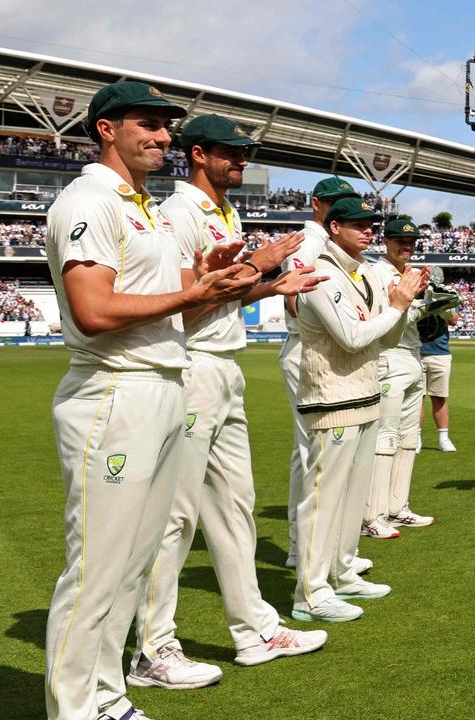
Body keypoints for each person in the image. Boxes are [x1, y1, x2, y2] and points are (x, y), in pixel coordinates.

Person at [42, 81, 261, 720]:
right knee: (98, 569)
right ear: (107, 128)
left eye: (168, 126)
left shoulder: (147, 209)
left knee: (136, 565)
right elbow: (92, 311)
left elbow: (178, 311)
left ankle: (108, 698)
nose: (165, 136)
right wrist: (193, 295)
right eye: (150, 124)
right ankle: (76, 708)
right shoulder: (89, 200)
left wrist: (214, 281)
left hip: (165, 384)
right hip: (115, 391)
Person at [128, 114, 326, 691]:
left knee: (235, 505)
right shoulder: (179, 215)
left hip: (224, 368)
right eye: (230, 153)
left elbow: (218, 298)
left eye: (245, 153)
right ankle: (154, 649)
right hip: (190, 368)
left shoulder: (223, 213)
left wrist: (268, 286)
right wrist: (257, 266)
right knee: (177, 516)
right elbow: (183, 307)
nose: (241, 161)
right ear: (198, 155)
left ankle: (255, 629)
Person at [291, 197, 427, 622]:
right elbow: (351, 336)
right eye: (358, 224)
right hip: (332, 396)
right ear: (334, 228)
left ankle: (343, 572)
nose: (369, 231)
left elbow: (384, 339)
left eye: (372, 224)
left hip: (366, 392)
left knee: (352, 498)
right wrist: (399, 307)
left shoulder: (364, 272)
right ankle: (310, 593)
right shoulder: (320, 271)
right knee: (323, 498)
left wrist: (400, 307)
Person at [278, 176, 361, 570]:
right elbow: (295, 298)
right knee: (311, 450)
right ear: (318, 205)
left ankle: (315, 547)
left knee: (317, 450)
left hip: (320, 349)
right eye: (336, 202)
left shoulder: (328, 243)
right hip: (308, 348)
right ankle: (302, 549)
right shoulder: (310, 241)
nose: (343, 209)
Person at [361, 219, 436, 539]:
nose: (405, 246)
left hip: (413, 356)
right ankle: (371, 516)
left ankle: (397, 508)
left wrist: (430, 300)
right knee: (384, 437)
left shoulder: (411, 274)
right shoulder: (376, 273)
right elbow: (386, 314)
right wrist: (415, 301)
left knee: (408, 438)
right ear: (386, 241)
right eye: (399, 240)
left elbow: (418, 315)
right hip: (388, 357)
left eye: (411, 241)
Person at [419, 266, 459, 453]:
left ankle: (443, 437)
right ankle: (416, 437)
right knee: (416, 398)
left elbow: (453, 320)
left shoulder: (446, 294)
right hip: (416, 350)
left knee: (439, 397)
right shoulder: (415, 292)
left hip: (439, 352)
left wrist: (440, 301)